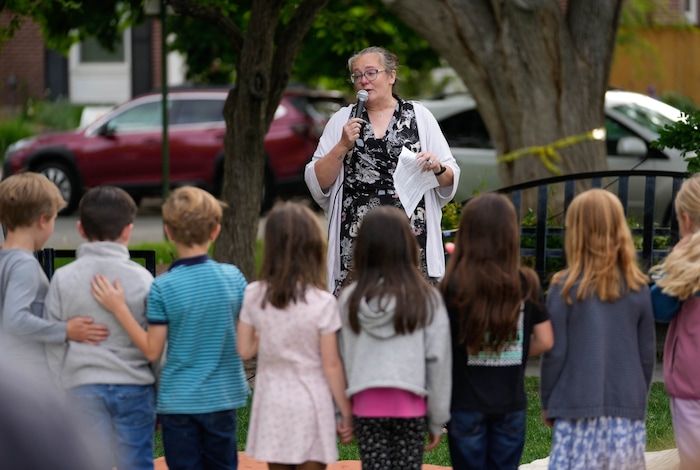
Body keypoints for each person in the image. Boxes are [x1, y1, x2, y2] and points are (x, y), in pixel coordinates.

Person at [91, 186, 250, 470]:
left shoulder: (162, 287)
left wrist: (120, 309)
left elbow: (152, 349)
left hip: (178, 401)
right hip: (223, 397)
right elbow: (248, 337)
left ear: (169, 232)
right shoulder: (234, 278)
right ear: (215, 231)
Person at [305, 46, 460, 295]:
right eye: (357, 75)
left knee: (411, 312)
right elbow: (317, 181)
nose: (363, 80)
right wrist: (343, 145)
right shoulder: (342, 120)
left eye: (370, 73)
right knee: (358, 311)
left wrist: (438, 167)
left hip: (410, 238)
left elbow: (450, 178)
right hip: (357, 238)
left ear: (391, 76)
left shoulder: (419, 116)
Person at [540, 189, 655, 470]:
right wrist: (637, 397)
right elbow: (646, 355)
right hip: (626, 409)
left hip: (575, 406)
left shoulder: (563, 289)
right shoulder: (638, 288)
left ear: (575, 233)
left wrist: (547, 401)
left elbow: (555, 354)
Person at [43, 186, 156, 470]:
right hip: (135, 386)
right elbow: (156, 343)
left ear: (80, 229)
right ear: (128, 231)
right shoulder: (143, 280)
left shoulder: (62, 278)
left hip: (81, 387)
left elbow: (53, 343)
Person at [439, 193, 553, 469]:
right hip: (510, 406)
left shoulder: (453, 284)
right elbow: (547, 340)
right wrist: (516, 347)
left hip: (464, 406)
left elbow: (440, 345)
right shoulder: (526, 282)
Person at [237, 201, 353, 470]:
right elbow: (331, 365)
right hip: (312, 404)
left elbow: (244, 350)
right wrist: (345, 410)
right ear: (313, 247)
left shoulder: (254, 294)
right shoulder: (322, 302)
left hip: (273, 403)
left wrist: (270, 334)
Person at [337, 205, 451, 470]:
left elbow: (339, 361)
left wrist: (340, 411)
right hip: (411, 405)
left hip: (365, 406)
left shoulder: (349, 301)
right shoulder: (427, 299)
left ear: (362, 248)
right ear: (408, 245)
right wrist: (438, 417)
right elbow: (439, 361)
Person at [0, 172, 108, 381]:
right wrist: (66, 330)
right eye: (54, 219)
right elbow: (15, 320)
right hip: (26, 376)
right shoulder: (24, 264)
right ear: (43, 221)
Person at [650, 173, 700, 470]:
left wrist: (676, 265)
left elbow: (659, 308)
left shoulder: (686, 264)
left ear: (685, 219)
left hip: (691, 384)